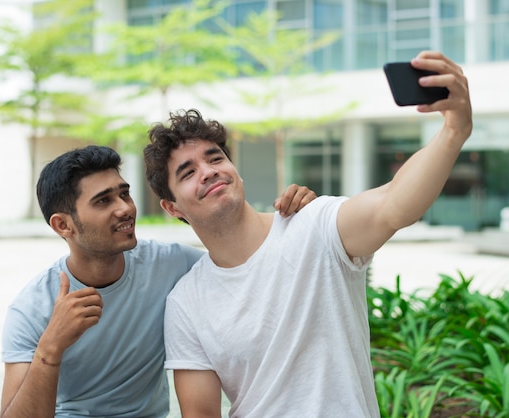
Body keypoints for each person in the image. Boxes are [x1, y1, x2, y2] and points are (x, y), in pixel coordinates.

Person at [142, 50, 472, 418]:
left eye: (216, 157)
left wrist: (453, 131)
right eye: (188, 173)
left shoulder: (314, 224)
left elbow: (394, 204)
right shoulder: (186, 302)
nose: (208, 171)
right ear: (172, 208)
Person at [0, 145, 316, 418]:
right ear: (63, 225)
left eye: (124, 193)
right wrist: (50, 347)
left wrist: (293, 222)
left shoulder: (171, 264)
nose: (124, 208)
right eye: (103, 201)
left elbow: (248, 268)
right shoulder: (32, 310)